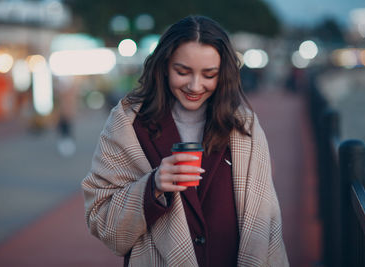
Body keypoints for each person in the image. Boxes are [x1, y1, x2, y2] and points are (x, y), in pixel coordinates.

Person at [82, 15, 289, 267]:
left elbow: (268, 221)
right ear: (164, 66)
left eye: (209, 74)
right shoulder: (127, 124)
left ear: (223, 73)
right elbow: (100, 219)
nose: (195, 85)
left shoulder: (244, 126)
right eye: (182, 71)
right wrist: (152, 186)